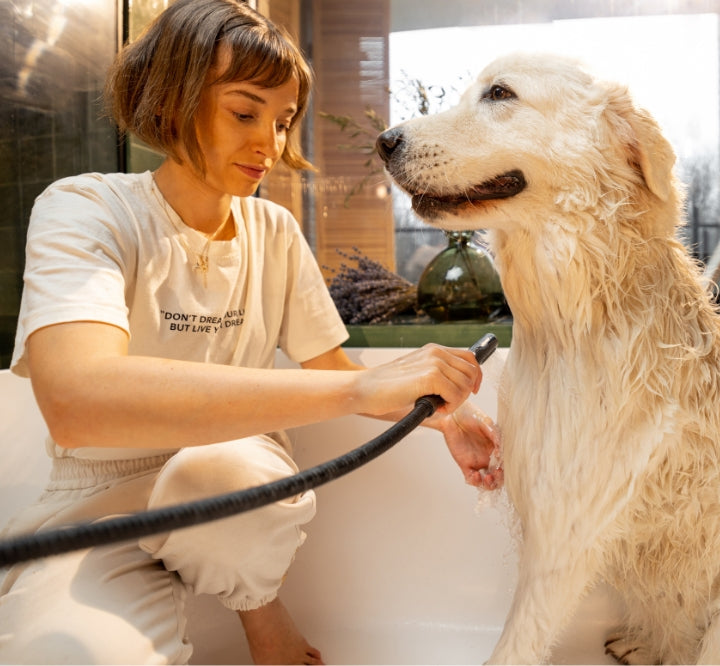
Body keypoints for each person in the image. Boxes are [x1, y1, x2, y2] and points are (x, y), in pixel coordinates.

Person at [0, 0, 502, 663]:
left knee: (224, 467)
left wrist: (444, 418)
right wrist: (361, 392)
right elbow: (76, 401)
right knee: (66, 656)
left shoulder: (274, 234)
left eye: (283, 120)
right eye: (245, 113)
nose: (271, 144)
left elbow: (336, 378)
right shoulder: (84, 209)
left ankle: (256, 605)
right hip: (92, 512)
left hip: (225, 492)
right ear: (173, 101)